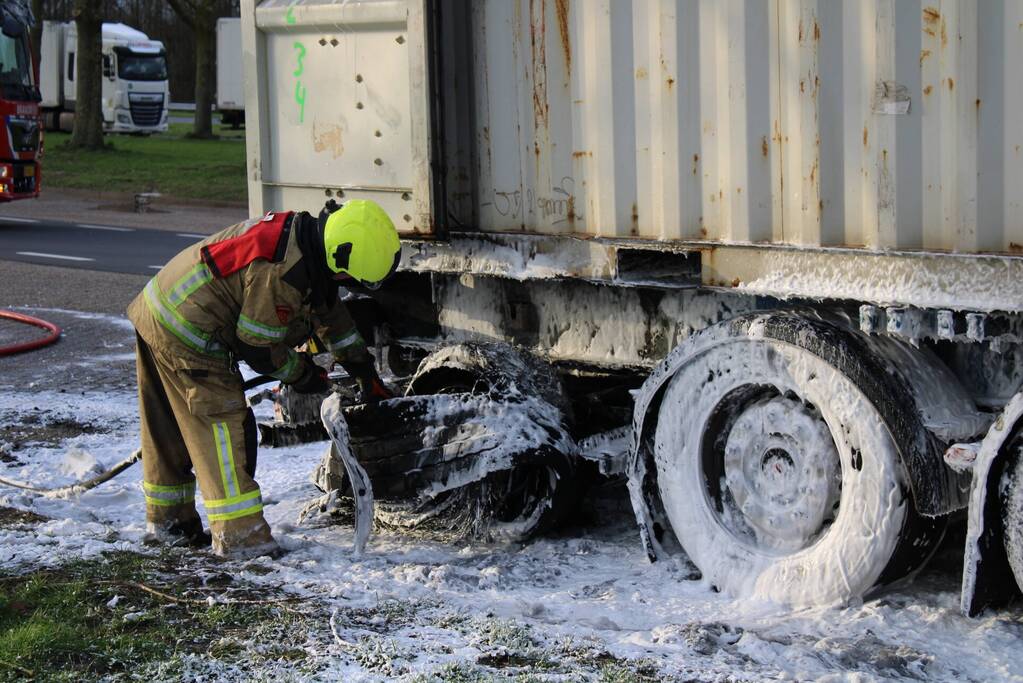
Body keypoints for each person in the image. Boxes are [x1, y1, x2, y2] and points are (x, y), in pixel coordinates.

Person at [126, 199, 400, 557]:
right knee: (221, 427)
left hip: (160, 310)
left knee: (168, 430)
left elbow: (331, 312)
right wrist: (302, 375)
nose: (347, 285)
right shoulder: (282, 273)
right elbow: (258, 348)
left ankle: (169, 525)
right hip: (189, 333)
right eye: (349, 279)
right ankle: (243, 540)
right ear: (340, 261)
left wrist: (363, 369)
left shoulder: (309, 242)